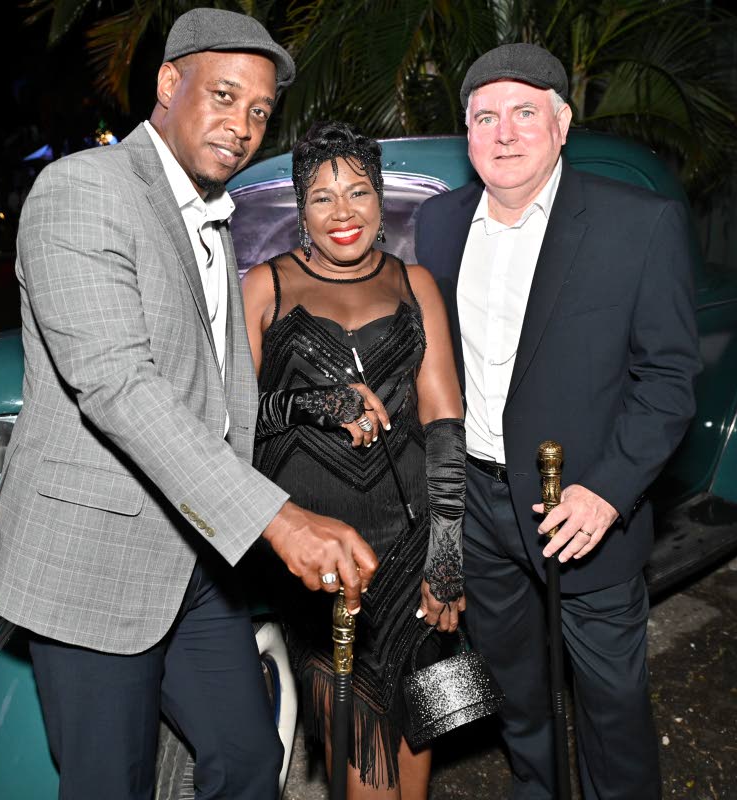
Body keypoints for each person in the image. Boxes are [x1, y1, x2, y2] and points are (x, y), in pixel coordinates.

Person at [0, 9, 379, 800]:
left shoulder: (208, 217)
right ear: (168, 84)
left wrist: (322, 404)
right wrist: (278, 518)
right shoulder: (82, 191)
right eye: (225, 96)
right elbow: (118, 384)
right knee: (109, 784)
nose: (243, 125)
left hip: (195, 558)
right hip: (96, 560)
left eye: (260, 111)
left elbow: (209, 390)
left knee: (249, 759)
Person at [414, 43, 701, 799]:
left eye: (524, 113)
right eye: (485, 118)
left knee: (610, 703)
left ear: (562, 123)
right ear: (467, 134)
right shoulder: (438, 225)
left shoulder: (637, 223)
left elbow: (669, 380)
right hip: (477, 507)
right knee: (515, 689)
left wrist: (606, 491)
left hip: (580, 512)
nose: (505, 133)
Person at [242, 120, 466, 799]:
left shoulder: (414, 281)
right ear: (301, 211)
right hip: (319, 558)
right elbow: (221, 426)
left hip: (413, 543)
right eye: (322, 197)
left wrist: (448, 556)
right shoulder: (264, 286)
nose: (343, 213)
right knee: (363, 760)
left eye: (358, 193)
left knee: (417, 739)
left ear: (381, 202)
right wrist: (312, 403)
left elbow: (444, 423)